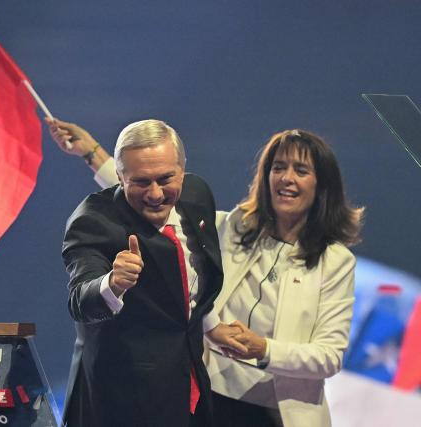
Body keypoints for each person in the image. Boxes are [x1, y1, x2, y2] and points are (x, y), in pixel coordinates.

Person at [50, 118, 363, 427]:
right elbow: (143, 202)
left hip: (281, 412)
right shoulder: (234, 228)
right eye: (278, 167)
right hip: (213, 397)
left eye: (301, 170)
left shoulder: (335, 261)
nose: (286, 179)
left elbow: (329, 357)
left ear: (322, 185)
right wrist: (93, 154)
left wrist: (263, 349)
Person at [61, 119, 246, 427]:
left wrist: (209, 323)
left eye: (166, 179)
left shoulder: (196, 195)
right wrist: (113, 283)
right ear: (120, 177)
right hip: (120, 403)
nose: (156, 194)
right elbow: (81, 299)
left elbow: (192, 279)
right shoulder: (92, 222)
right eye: (141, 182)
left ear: (183, 171)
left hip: (191, 391)